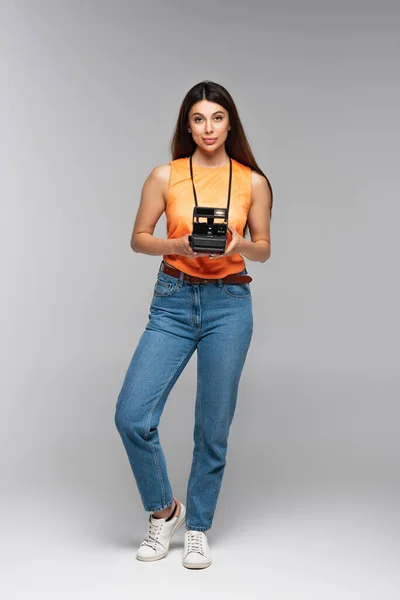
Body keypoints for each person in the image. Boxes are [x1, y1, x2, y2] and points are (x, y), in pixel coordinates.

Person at [114, 80, 273, 569]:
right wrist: (178, 245)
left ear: (230, 124)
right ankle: (166, 512)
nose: (208, 128)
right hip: (173, 301)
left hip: (229, 304)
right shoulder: (165, 176)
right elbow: (140, 238)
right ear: (188, 124)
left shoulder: (252, 181)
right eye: (199, 119)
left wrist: (236, 244)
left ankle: (198, 526)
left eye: (217, 118)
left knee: (212, 426)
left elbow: (263, 247)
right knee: (132, 415)